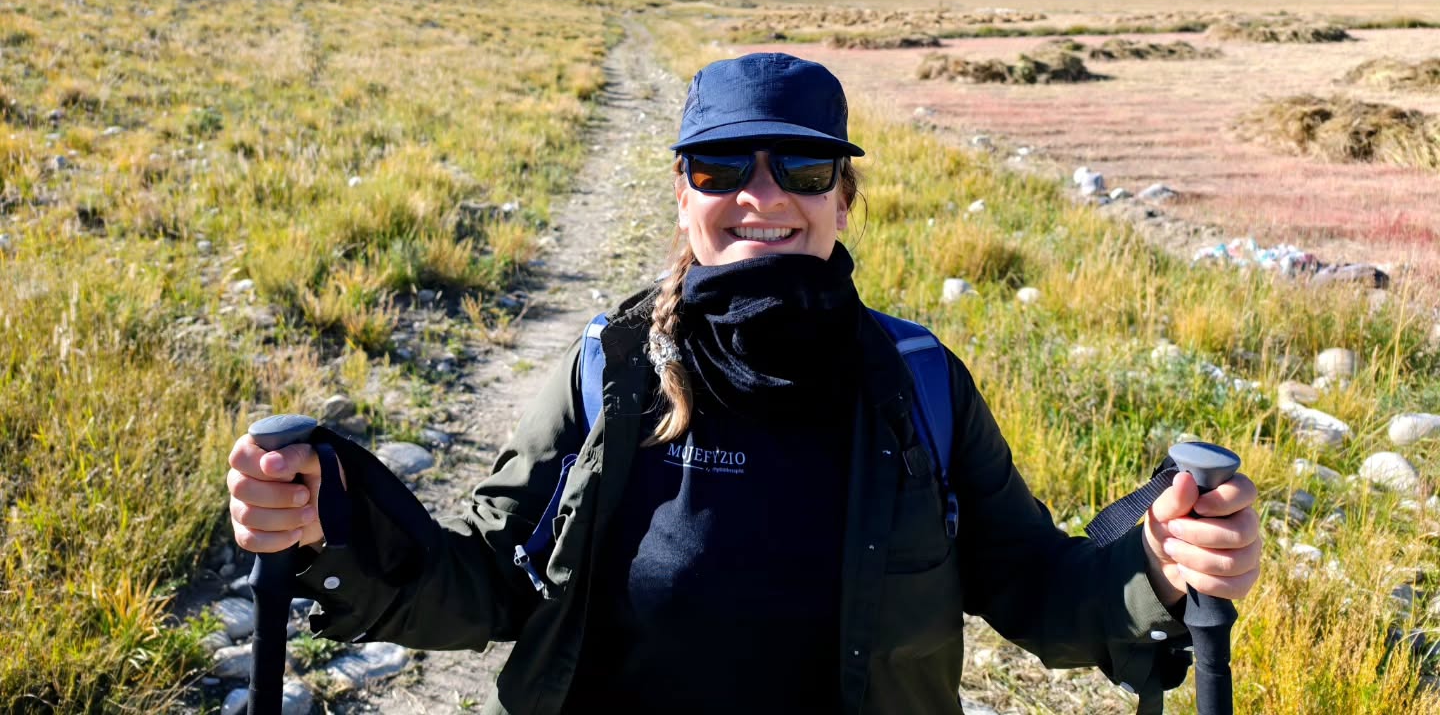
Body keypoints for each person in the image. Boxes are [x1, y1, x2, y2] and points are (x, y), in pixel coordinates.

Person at [228, 52, 1260, 714]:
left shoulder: (919, 385)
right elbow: (495, 586)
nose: (761, 196)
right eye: (721, 168)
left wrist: (1159, 566)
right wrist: (330, 528)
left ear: (843, 200)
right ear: (683, 196)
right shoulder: (611, 368)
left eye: (802, 171)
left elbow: (1035, 587)